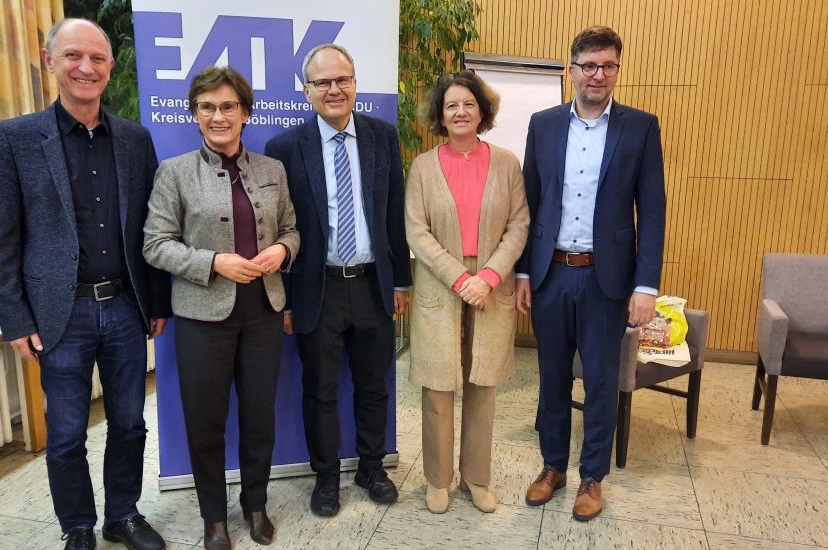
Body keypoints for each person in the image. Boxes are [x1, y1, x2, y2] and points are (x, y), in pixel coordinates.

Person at [0, 18, 172, 550]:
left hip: (126, 306)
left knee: (130, 423)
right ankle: (78, 529)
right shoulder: (15, 138)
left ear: (109, 67)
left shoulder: (135, 140)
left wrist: (157, 301)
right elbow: (1, 238)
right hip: (57, 315)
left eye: (97, 58)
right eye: (73, 56)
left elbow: (152, 229)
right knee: (66, 434)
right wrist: (15, 318)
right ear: (50, 61)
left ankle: (123, 515)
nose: (85, 67)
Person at [143, 66, 300, 550]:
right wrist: (213, 262)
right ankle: (214, 516)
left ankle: (255, 505)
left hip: (264, 312)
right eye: (207, 107)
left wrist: (283, 250)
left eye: (228, 106)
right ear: (194, 114)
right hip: (202, 318)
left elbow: (292, 229)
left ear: (245, 113)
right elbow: (155, 244)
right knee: (206, 422)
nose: (218, 116)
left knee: (259, 417)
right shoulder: (175, 172)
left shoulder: (272, 169)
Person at [516, 25, 666, 522]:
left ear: (617, 70)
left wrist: (645, 285)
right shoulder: (543, 125)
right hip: (551, 275)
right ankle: (552, 466)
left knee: (601, 382)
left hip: (608, 280)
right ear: (572, 69)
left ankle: (592, 476)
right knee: (552, 377)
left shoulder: (640, 127)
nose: (597, 75)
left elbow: (652, 210)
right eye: (588, 65)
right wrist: (523, 274)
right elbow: (529, 203)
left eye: (608, 66)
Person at [264, 43, 411, 517]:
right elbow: (280, 227)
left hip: (372, 283)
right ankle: (326, 477)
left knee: (374, 385)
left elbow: (393, 213)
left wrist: (401, 282)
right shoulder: (285, 148)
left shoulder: (381, 136)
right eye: (322, 82)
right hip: (317, 287)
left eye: (342, 79)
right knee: (320, 389)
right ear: (306, 91)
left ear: (355, 84)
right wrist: (286, 301)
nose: (334, 89)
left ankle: (371, 467)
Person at [404, 70, 529, 514]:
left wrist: (489, 276)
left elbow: (519, 225)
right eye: (451, 105)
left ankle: (476, 478)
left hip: (491, 286)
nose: (460, 112)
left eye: (469, 104)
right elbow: (417, 232)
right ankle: (437, 480)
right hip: (441, 284)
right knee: (438, 387)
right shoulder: (422, 167)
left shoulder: (507, 163)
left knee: (483, 384)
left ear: (482, 111)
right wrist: (460, 278)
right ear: (440, 115)